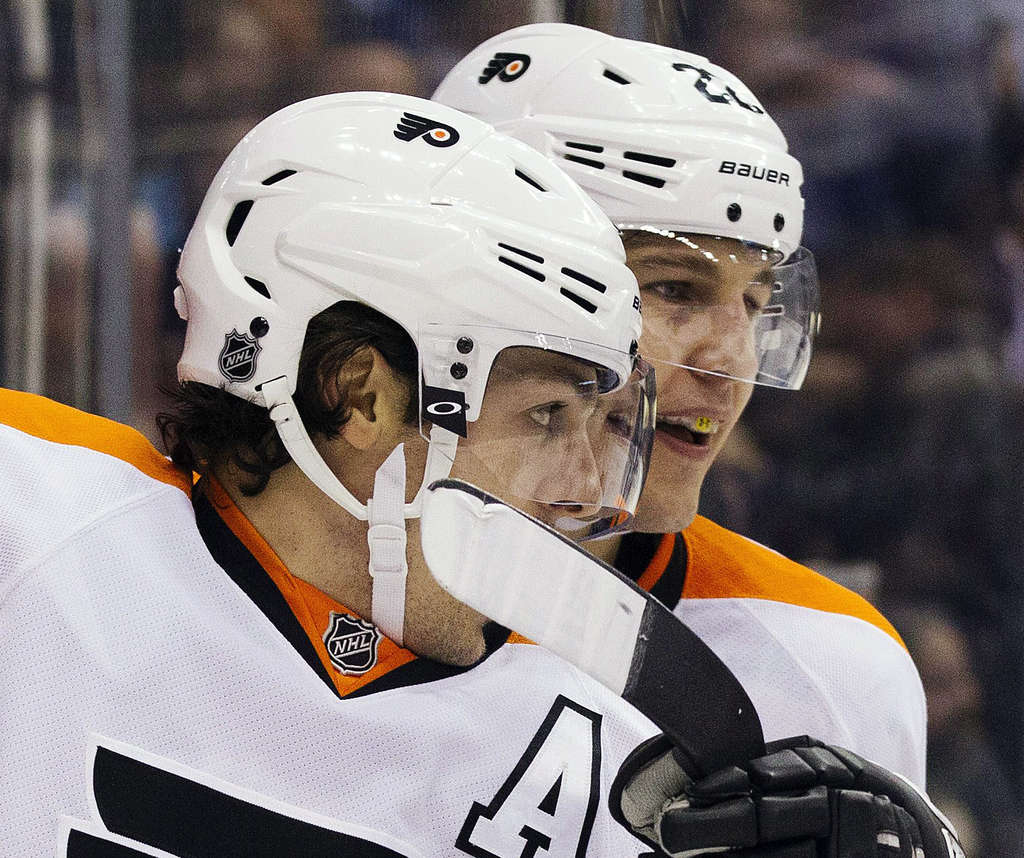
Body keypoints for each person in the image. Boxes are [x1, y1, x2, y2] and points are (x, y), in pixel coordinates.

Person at [0, 91, 665, 857]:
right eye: (547, 415)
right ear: (360, 396)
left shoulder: (607, 776)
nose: (587, 487)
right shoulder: (36, 525)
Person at [433, 22, 927, 786]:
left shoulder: (831, 659)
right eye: (673, 289)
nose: (732, 362)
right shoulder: (251, 568)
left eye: (754, 301)